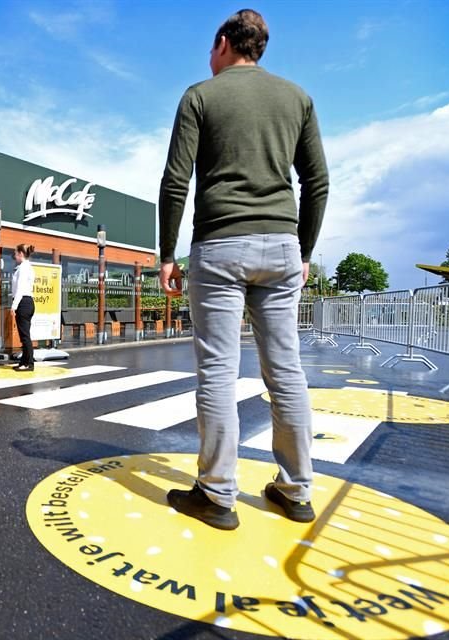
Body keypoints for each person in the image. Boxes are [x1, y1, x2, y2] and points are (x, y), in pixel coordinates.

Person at [158, 9, 330, 530]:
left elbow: (175, 181)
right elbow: (316, 182)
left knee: (217, 370)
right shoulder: (296, 98)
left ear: (222, 43)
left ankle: (216, 494)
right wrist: (303, 251)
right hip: (281, 247)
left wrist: (167, 253)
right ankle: (296, 490)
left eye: (209, 49)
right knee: (285, 370)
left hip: (219, 245)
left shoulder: (200, 96)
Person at [11, 244, 36, 372]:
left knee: (25, 336)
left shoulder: (24, 268)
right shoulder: (26, 267)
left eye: (15, 253)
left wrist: (14, 306)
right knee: (24, 335)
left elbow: (20, 288)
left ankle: (29, 363)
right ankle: (24, 362)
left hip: (23, 302)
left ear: (21, 254)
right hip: (27, 302)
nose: (14, 256)